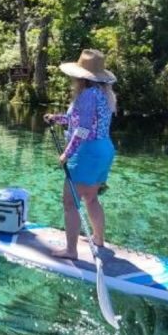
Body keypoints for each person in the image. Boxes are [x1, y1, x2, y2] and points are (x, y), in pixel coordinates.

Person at [43, 49, 117, 260]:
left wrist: (67, 153)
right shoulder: (103, 94)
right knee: (91, 198)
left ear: (81, 77)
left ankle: (71, 250)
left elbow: (83, 130)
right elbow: (79, 121)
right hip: (104, 149)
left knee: (70, 202)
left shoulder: (87, 95)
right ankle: (98, 239)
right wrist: (56, 118)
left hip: (88, 151)